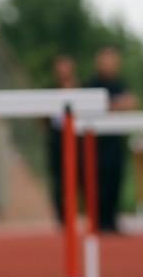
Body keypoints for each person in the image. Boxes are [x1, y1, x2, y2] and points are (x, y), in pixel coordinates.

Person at [84, 47, 136, 233]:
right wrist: (116, 105)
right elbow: (93, 108)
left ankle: (112, 219)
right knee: (99, 182)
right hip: (97, 144)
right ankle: (99, 221)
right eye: (106, 60)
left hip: (116, 141)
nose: (110, 64)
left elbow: (131, 103)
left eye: (113, 60)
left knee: (116, 179)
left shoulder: (120, 83)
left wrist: (116, 106)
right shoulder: (91, 84)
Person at [43, 53, 78, 223]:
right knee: (59, 180)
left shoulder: (80, 89)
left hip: (77, 138)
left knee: (78, 177)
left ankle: (78, 213)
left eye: (66, 65)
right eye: (60, 65)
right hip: (57, 138)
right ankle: (61, 216)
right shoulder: (49, 90)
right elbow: (41, 117)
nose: (63, 69)